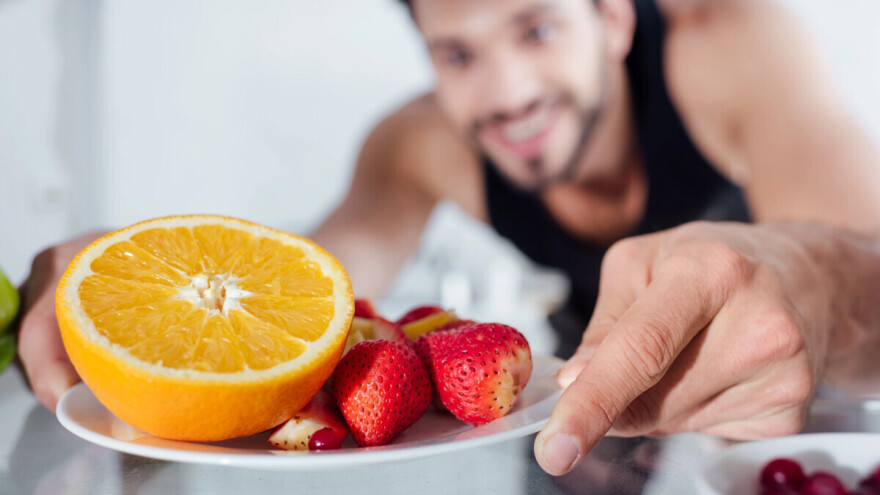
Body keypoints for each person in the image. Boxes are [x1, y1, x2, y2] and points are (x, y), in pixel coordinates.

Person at [15, 0, 880, 477]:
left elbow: (867, 258)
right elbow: (309, 296)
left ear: (613, 20)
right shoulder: (422, 142)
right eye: (457, 55)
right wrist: (148, 296)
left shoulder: (729, 45)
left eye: (536, 30)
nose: (504, 94)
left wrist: (808, 269)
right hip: (580, 414)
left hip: (799, 428)